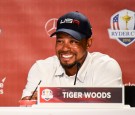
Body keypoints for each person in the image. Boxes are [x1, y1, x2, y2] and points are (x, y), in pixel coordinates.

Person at [21, 11, 123, 100]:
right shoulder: (41, 68)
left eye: (73, 42)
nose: (65, 48)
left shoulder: (105, 67)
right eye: (60, 41)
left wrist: (52, 98)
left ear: (88, 42)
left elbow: (108, 110)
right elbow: (27, 106)